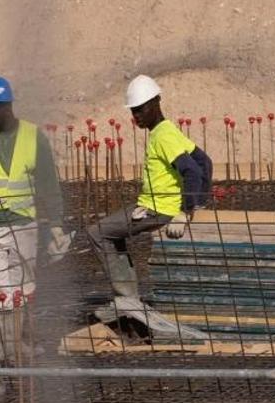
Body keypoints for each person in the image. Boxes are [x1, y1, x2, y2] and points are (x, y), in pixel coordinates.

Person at [86, 75, 212, 324]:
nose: (137, 116)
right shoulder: (167, 131)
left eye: (141, 109)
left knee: (97, 232)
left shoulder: (163, 135)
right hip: (153, 206)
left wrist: (185, 212)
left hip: (159, 209)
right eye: (134, 111)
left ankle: (127, 300)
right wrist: (200, 203)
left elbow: (192, 171)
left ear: (156, 102)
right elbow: (204, 162)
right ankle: (128, 297)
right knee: (111, 232)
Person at [0, 76, 69, 363]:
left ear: (6, 107)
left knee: (23, 286)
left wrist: (56, 223)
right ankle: (9, 349)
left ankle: (20, 342)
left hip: (24, 226)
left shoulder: (34, 137)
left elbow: (48, 183)